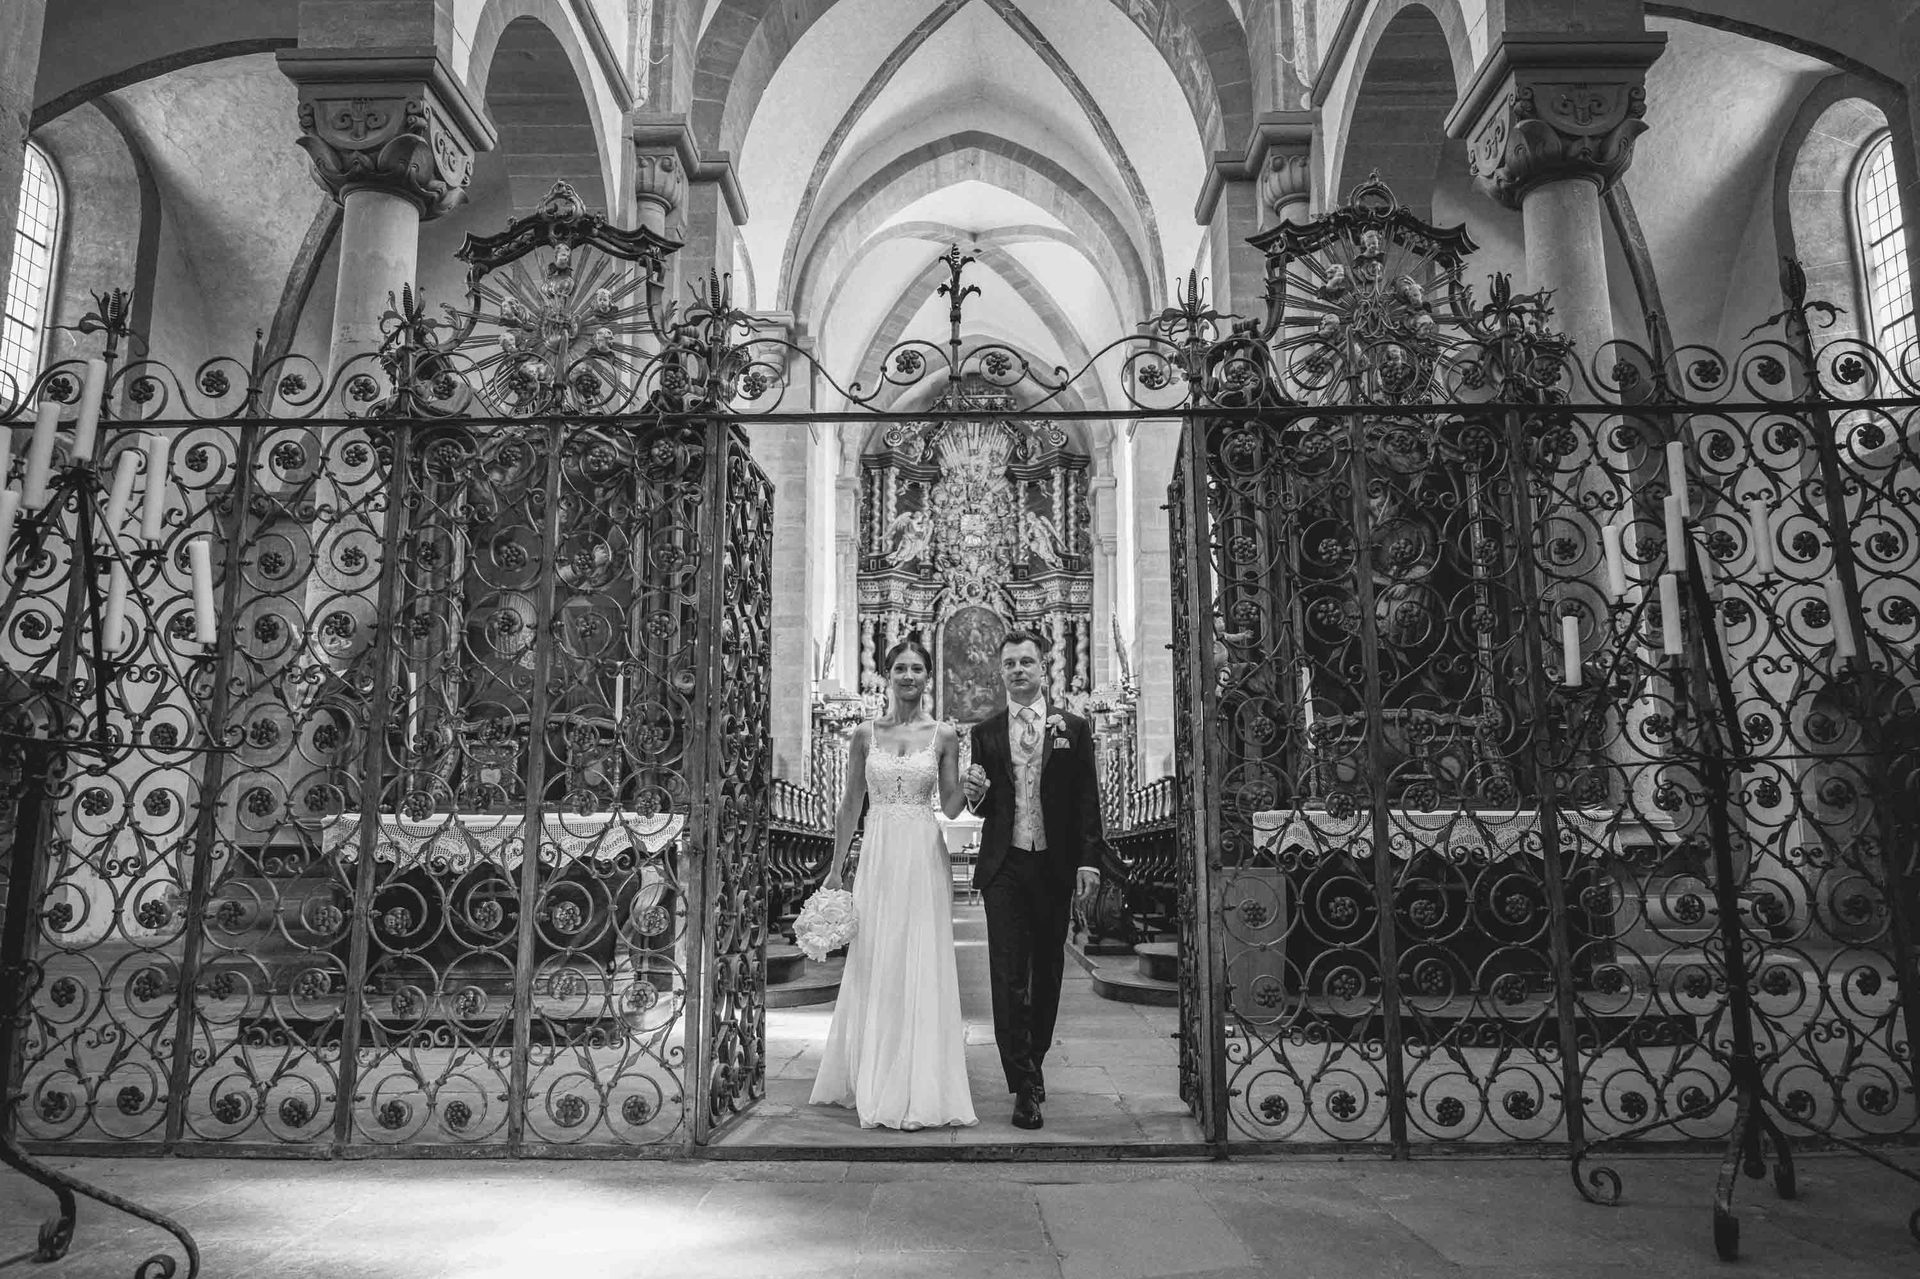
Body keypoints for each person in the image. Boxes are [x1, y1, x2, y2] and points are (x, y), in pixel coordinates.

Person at [809, 637, 977, 1130]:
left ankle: (921, 1080)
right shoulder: (864, 733)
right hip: (878, 853)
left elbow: (948, 807)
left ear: (928, 677)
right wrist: (837, 868)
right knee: (876, 957)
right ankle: (874, 1073)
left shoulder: (944, 735)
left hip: (923, 853)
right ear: (888, 675)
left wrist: (969, 790)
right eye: (900, 668)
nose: (908, 676)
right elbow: (850, 805)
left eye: (917, 669)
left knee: (920, 956)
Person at [961, 630, 1106, 1130]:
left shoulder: (1075, 727)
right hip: (1005, 865)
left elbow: (1088, 798)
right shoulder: (986, 732)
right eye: (1009, 664)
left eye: (1027, 662)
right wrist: (975, 792)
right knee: (1007, 974)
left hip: (1054, 863)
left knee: (1047, 972)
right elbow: (984, 807)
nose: (1018, 670)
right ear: (1000, 672)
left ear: (1044, 669)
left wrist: (1090, 861)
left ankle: (1036, 1061)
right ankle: (1022, 1083)